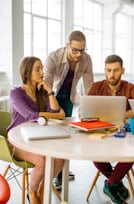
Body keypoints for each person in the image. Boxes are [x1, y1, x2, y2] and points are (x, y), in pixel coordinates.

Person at [7, 56, 65, 204]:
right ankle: (32, 191)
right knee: (42, 160)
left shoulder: (42, 91)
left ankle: (42, 188)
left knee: (59, 158)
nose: (42, 72)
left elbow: (55, 109)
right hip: (17, 141)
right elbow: (30, 115)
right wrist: (56, 115)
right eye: (37, 69)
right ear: (27, 73)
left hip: (38, 137)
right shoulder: (16, 93)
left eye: (42, 69)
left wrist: (50, 91)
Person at [88, 54, 134, 204]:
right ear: (105, 70)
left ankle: (110, 184)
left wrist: (119, 114)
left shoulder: (131, 88)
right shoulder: (96, 87)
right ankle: (115, 182)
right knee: (95, 155)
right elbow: (84, 111)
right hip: (101, 133)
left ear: (122, 70)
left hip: (124, 136)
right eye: (109, 70)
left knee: (132, 154)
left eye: (116, 70)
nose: (112, 74)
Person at [44, 30, 94, 188]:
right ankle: (52, 170)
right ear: (67, 46)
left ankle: (61, 171)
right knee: (52, 134)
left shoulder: (86, 60)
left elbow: (89, 86)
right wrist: (47, 106)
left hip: (69, 97)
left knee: (66, 134)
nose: (79, 54)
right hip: (52, 95)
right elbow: (46, 85)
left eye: (82, 50)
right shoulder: (53, 58)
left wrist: (87, 108)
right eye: (75, 50)